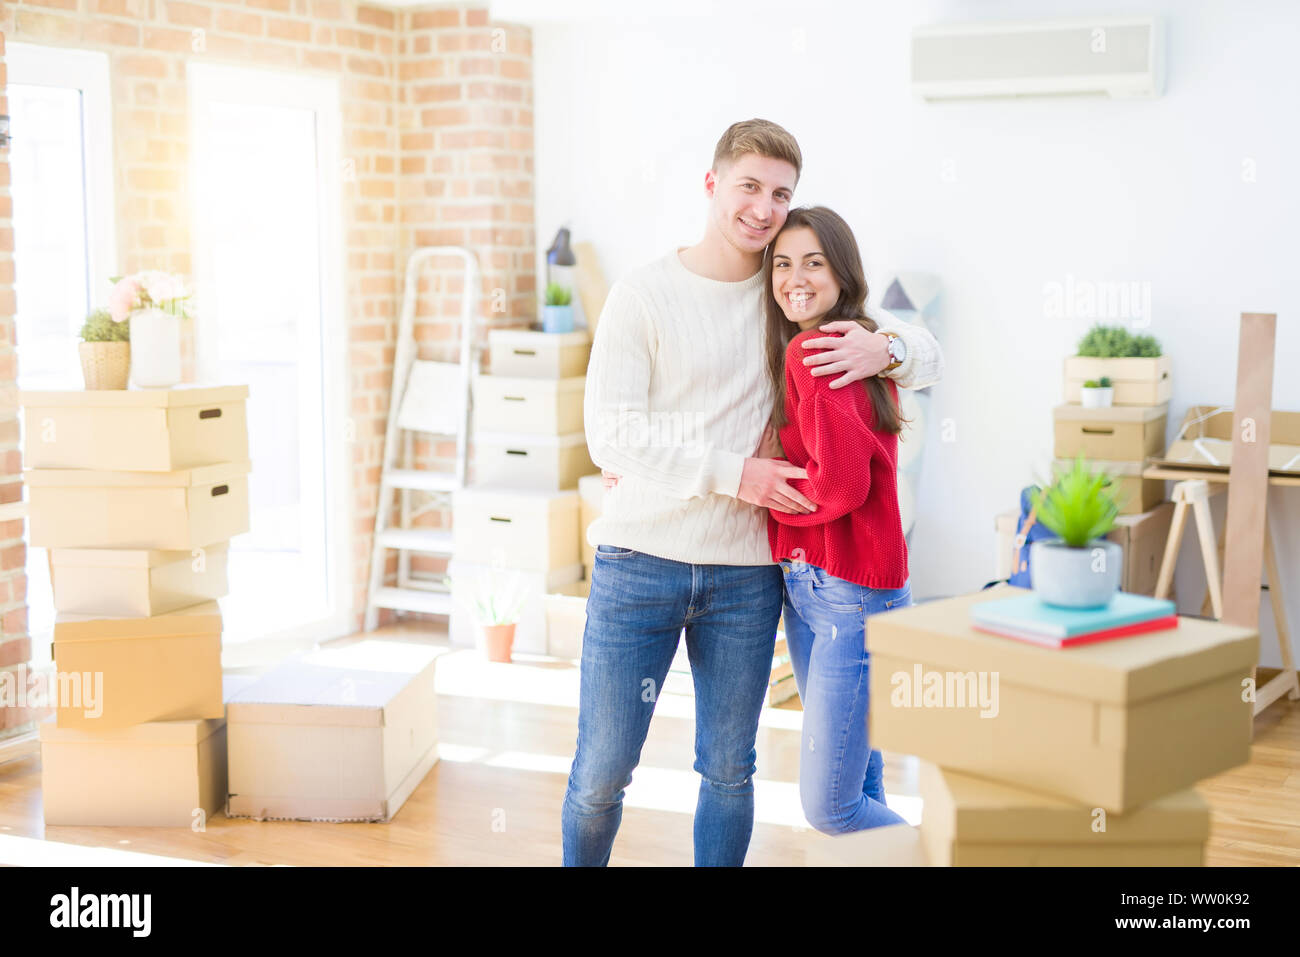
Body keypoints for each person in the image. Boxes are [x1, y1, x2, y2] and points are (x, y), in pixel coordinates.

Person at [561, 119, 943, 866]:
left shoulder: (789, 293)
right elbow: (611, 435)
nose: (764, 208)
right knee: (603, 772)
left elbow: (925, 353)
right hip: (640, 561)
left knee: (730, 772)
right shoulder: (643, 295)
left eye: (781, 193)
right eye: (749, 187)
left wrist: (887, 346)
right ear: (712, 185)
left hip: (747, 572)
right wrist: (738, 473)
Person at [765, 205, 911, 835]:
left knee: (832, 807)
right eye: (782, 263)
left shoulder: (813, 349)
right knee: (863, 782)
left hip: (843, 592)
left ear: (843, 273)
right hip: (836, 587)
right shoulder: (859, 342)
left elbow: (842, 483)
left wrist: (762, 490)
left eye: (814, 263)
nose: (795, 277)